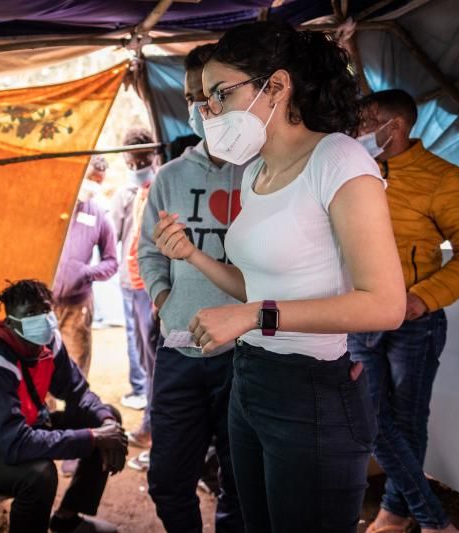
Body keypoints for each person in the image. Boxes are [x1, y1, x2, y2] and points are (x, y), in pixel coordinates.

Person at [152, 21, 407, 531]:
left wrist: (254, 317)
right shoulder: (254, 172)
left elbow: (384, 304)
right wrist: (195, 258)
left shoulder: (337, 158)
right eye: (205, 102)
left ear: (276, 85)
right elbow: (258, 288)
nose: (211, 113)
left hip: (310, 393)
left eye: (221, 95)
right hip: (250, 380)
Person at [350, 89, 459, 533]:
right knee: (368, 417)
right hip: (359, 315)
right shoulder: (353, 173)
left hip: (415, 321)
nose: (359, 133)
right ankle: (432, 518)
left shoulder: (443, 177)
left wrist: (421, 299)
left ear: (396, 126)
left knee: (409, 421)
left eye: (367, 124)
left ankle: (395, 512)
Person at [138, 43, 244, 532]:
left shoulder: (263, 172)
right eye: (189, 99)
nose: (199, 110)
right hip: (181, 350)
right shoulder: (170, 176)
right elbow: (148, 251)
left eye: (209, 97)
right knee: (167, 480)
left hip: (246, 352)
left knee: (239, 481)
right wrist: (166, 301)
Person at [0, 279, 127, 533]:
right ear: (10, 323)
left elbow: (77, 392)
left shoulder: (49, 343)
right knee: (39, 475)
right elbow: (14, 444)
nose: (42, 318)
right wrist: (93, 438)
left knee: (107, 417)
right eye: (30, 313)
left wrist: (106, 424)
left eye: (45, 309)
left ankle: (67, 519)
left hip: (23, 429)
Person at [53, 158, 118, 378]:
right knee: (43, 366)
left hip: (77, 306)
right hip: (44, 306)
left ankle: (75, 413)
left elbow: (111, 262)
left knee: (76, 368)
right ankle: (47, 413)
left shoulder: (99, 215)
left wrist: (85, 273)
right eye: (91, 178)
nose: (94, 186)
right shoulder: (54, 205)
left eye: (99, 182)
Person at [110, 128, 159, 414]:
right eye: (131, 164)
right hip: (132, 282)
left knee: (152, 354)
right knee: (139, 348)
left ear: (154, 156)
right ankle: (147, 404)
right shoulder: (132, 193)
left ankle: (151, 419)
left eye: (141, 163)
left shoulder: (161, 187)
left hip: (149, 286)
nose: (137, 169)